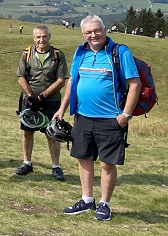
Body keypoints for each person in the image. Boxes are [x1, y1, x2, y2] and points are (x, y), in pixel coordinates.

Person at [54, 15, 141, 221]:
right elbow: (72, 81)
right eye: (88, 32)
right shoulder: (80, 51)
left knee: (106, 164)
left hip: (111, 119)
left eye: (97, 30)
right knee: (84, 158)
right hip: (83, 117)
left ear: (104, 30)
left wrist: (125, 115)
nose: (93, 35)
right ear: (83, 34)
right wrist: (62, 108)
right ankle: (86, 200)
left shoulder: (120, 52)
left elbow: (135, 84)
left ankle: (105, 203)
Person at [15, 25, 68, 181]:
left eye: (44, 36)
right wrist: (31, 96)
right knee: (27, 132)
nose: (41, 40)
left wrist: (43, 96)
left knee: (52, 134)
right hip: (29, 100)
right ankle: (27, 163)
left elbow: (61, 80)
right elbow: (21, 77)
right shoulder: (26, 54)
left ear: (49, 37)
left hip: (51, 101)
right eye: (38, 37)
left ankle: (56, 167)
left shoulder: (58, 55)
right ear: (34, 38)